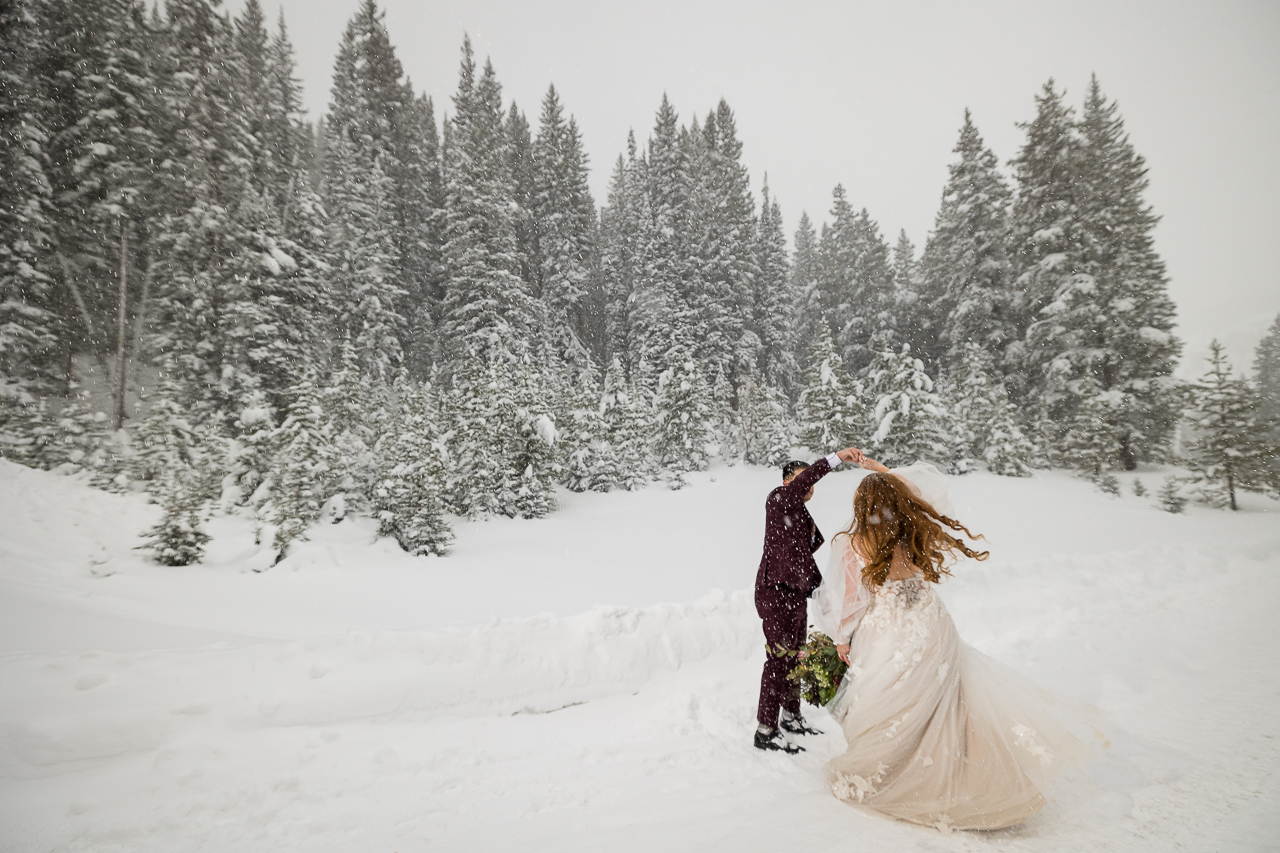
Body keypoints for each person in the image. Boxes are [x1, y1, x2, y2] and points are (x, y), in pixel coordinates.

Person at [813, 454, 1089, 832]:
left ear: (861, 507)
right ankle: (958, 770)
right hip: (930, 623)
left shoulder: (853, 543)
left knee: (888, 702)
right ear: (898, 499)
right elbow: (925, 487)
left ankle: (900, 773)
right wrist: (883, 472)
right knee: (941, 700)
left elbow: (849, 601)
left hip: (887, 630)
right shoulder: (912, 526)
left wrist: (842, 639)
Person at [753, 446, 861, 753]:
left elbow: (800, 557)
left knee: (796, 655)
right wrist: (836, 458)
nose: (809, 486)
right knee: (778, 658)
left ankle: (791, 715)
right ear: (788, 481)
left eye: (810, 482)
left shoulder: (799, 512)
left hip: (794, 593)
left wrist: (821, 589)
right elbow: (790, 556)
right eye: (803, 480)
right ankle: (765, 728)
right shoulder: (778, 498)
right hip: (775, 593)